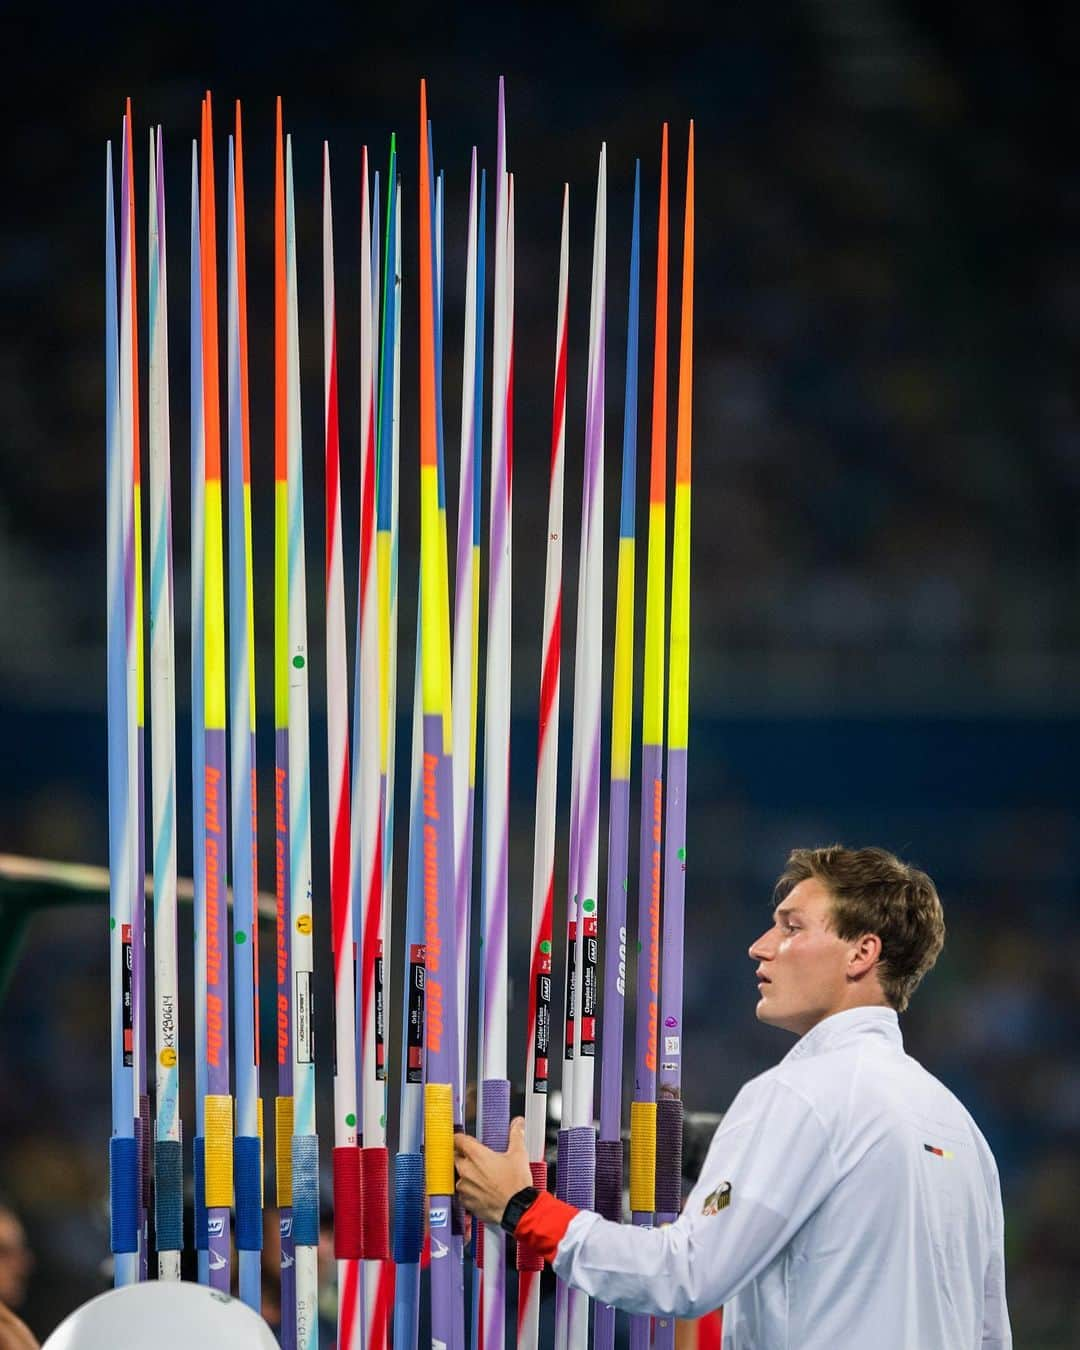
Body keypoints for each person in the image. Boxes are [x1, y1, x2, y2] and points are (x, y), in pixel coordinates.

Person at [455, 845, 1012, 1348]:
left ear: (861, 953)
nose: (760, 947)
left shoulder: (798, 1094)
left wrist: (523, 1207)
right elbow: (990, 1334)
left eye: (791, 928)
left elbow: (684, 1276)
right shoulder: (960, 1128)